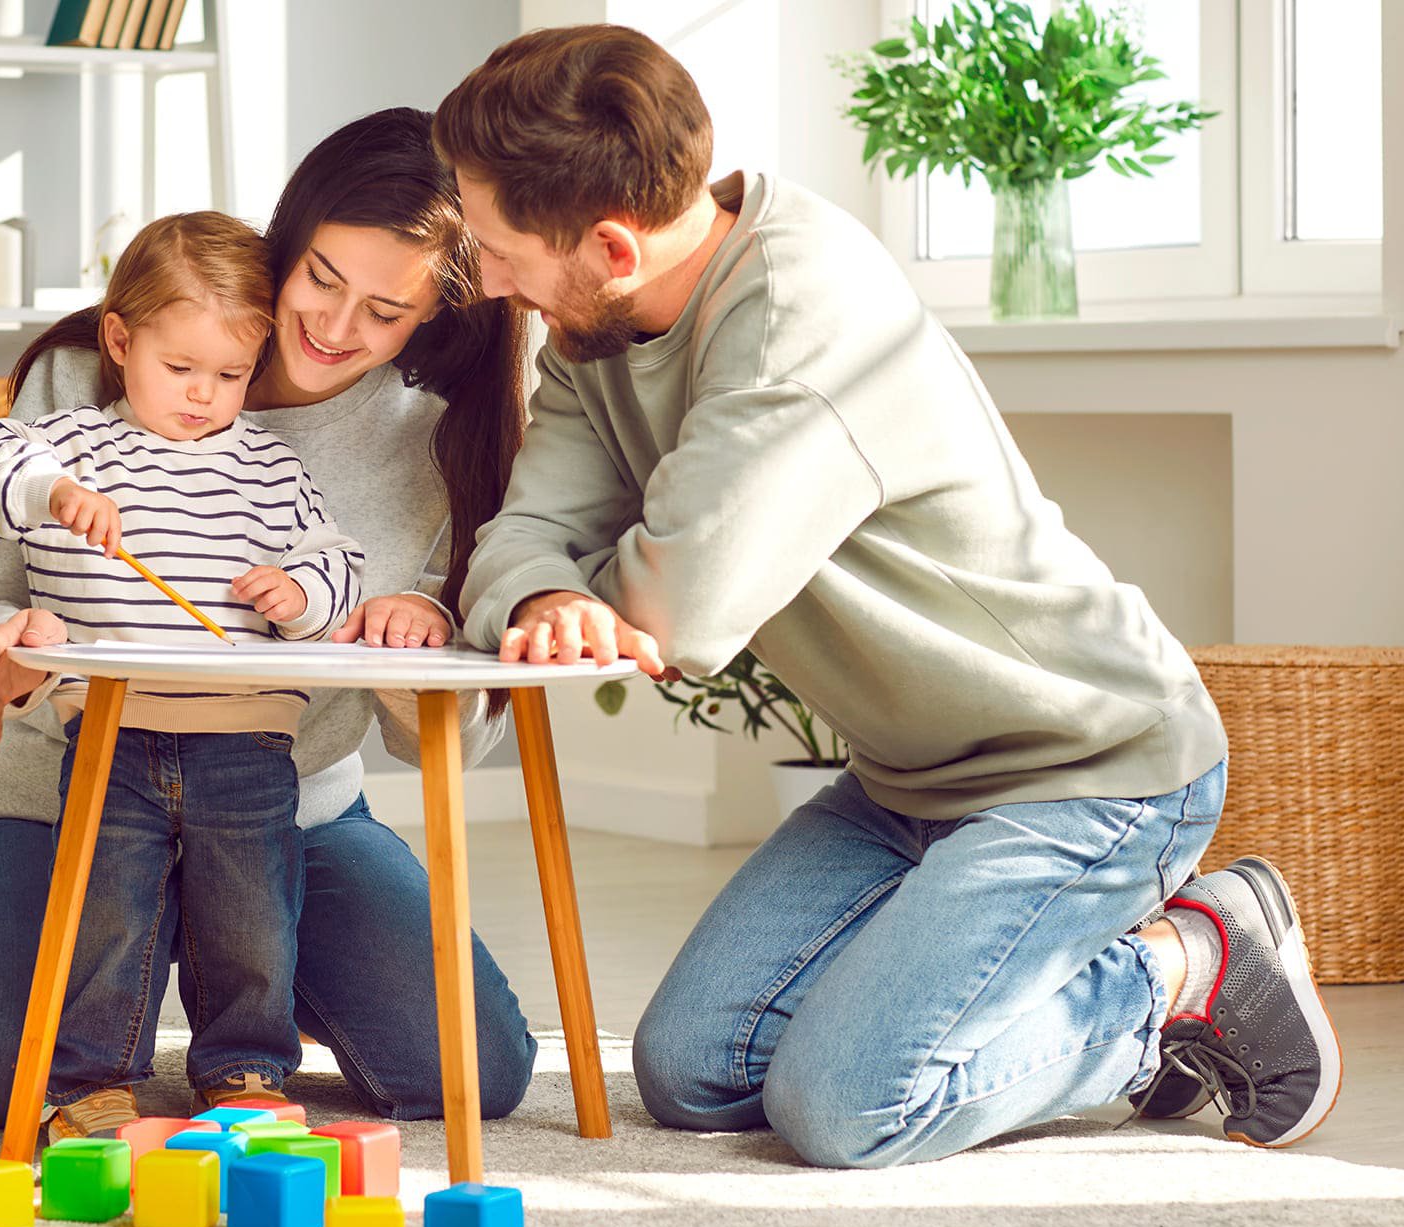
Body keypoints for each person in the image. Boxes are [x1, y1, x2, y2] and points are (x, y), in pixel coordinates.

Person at [437, 25, 1341, 1167]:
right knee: (695, 1072)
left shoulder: (798, 322)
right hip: (908, 780)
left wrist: (577, 592)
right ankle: (1060, 983)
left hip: (1088, 764)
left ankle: (1179, 970)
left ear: (613, 245)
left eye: (498, 248)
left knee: (851, 1105)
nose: (488, 280)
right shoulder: (591, 326)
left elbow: (682, 610)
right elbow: (529, 531)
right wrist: (538, 602)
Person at [0, 108, 538, 1133]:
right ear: (286, 241)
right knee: (7, 1078)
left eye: (386, 311)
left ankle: (249, 969)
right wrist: (8, 652)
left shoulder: (434, 443)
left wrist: (405, 633)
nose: (337, 328)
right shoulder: (85, 381)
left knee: (475, 1068)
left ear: (432, 316)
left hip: (281, 800)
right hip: (68, 786)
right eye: (321, 278)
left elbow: (456, 732)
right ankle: (61, 970)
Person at [0, 211, 364, 1137]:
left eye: (229, 375)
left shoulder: (271, 467)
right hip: (111, 736)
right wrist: (51, 494)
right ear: (120, 341)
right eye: (180, 369)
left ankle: (246, 1071)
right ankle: (92, 1080)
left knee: (253, 918)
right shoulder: (66, 445)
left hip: (250, 741)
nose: (203, 395)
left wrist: (300, 592)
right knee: (107, 916)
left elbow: (341, 561)